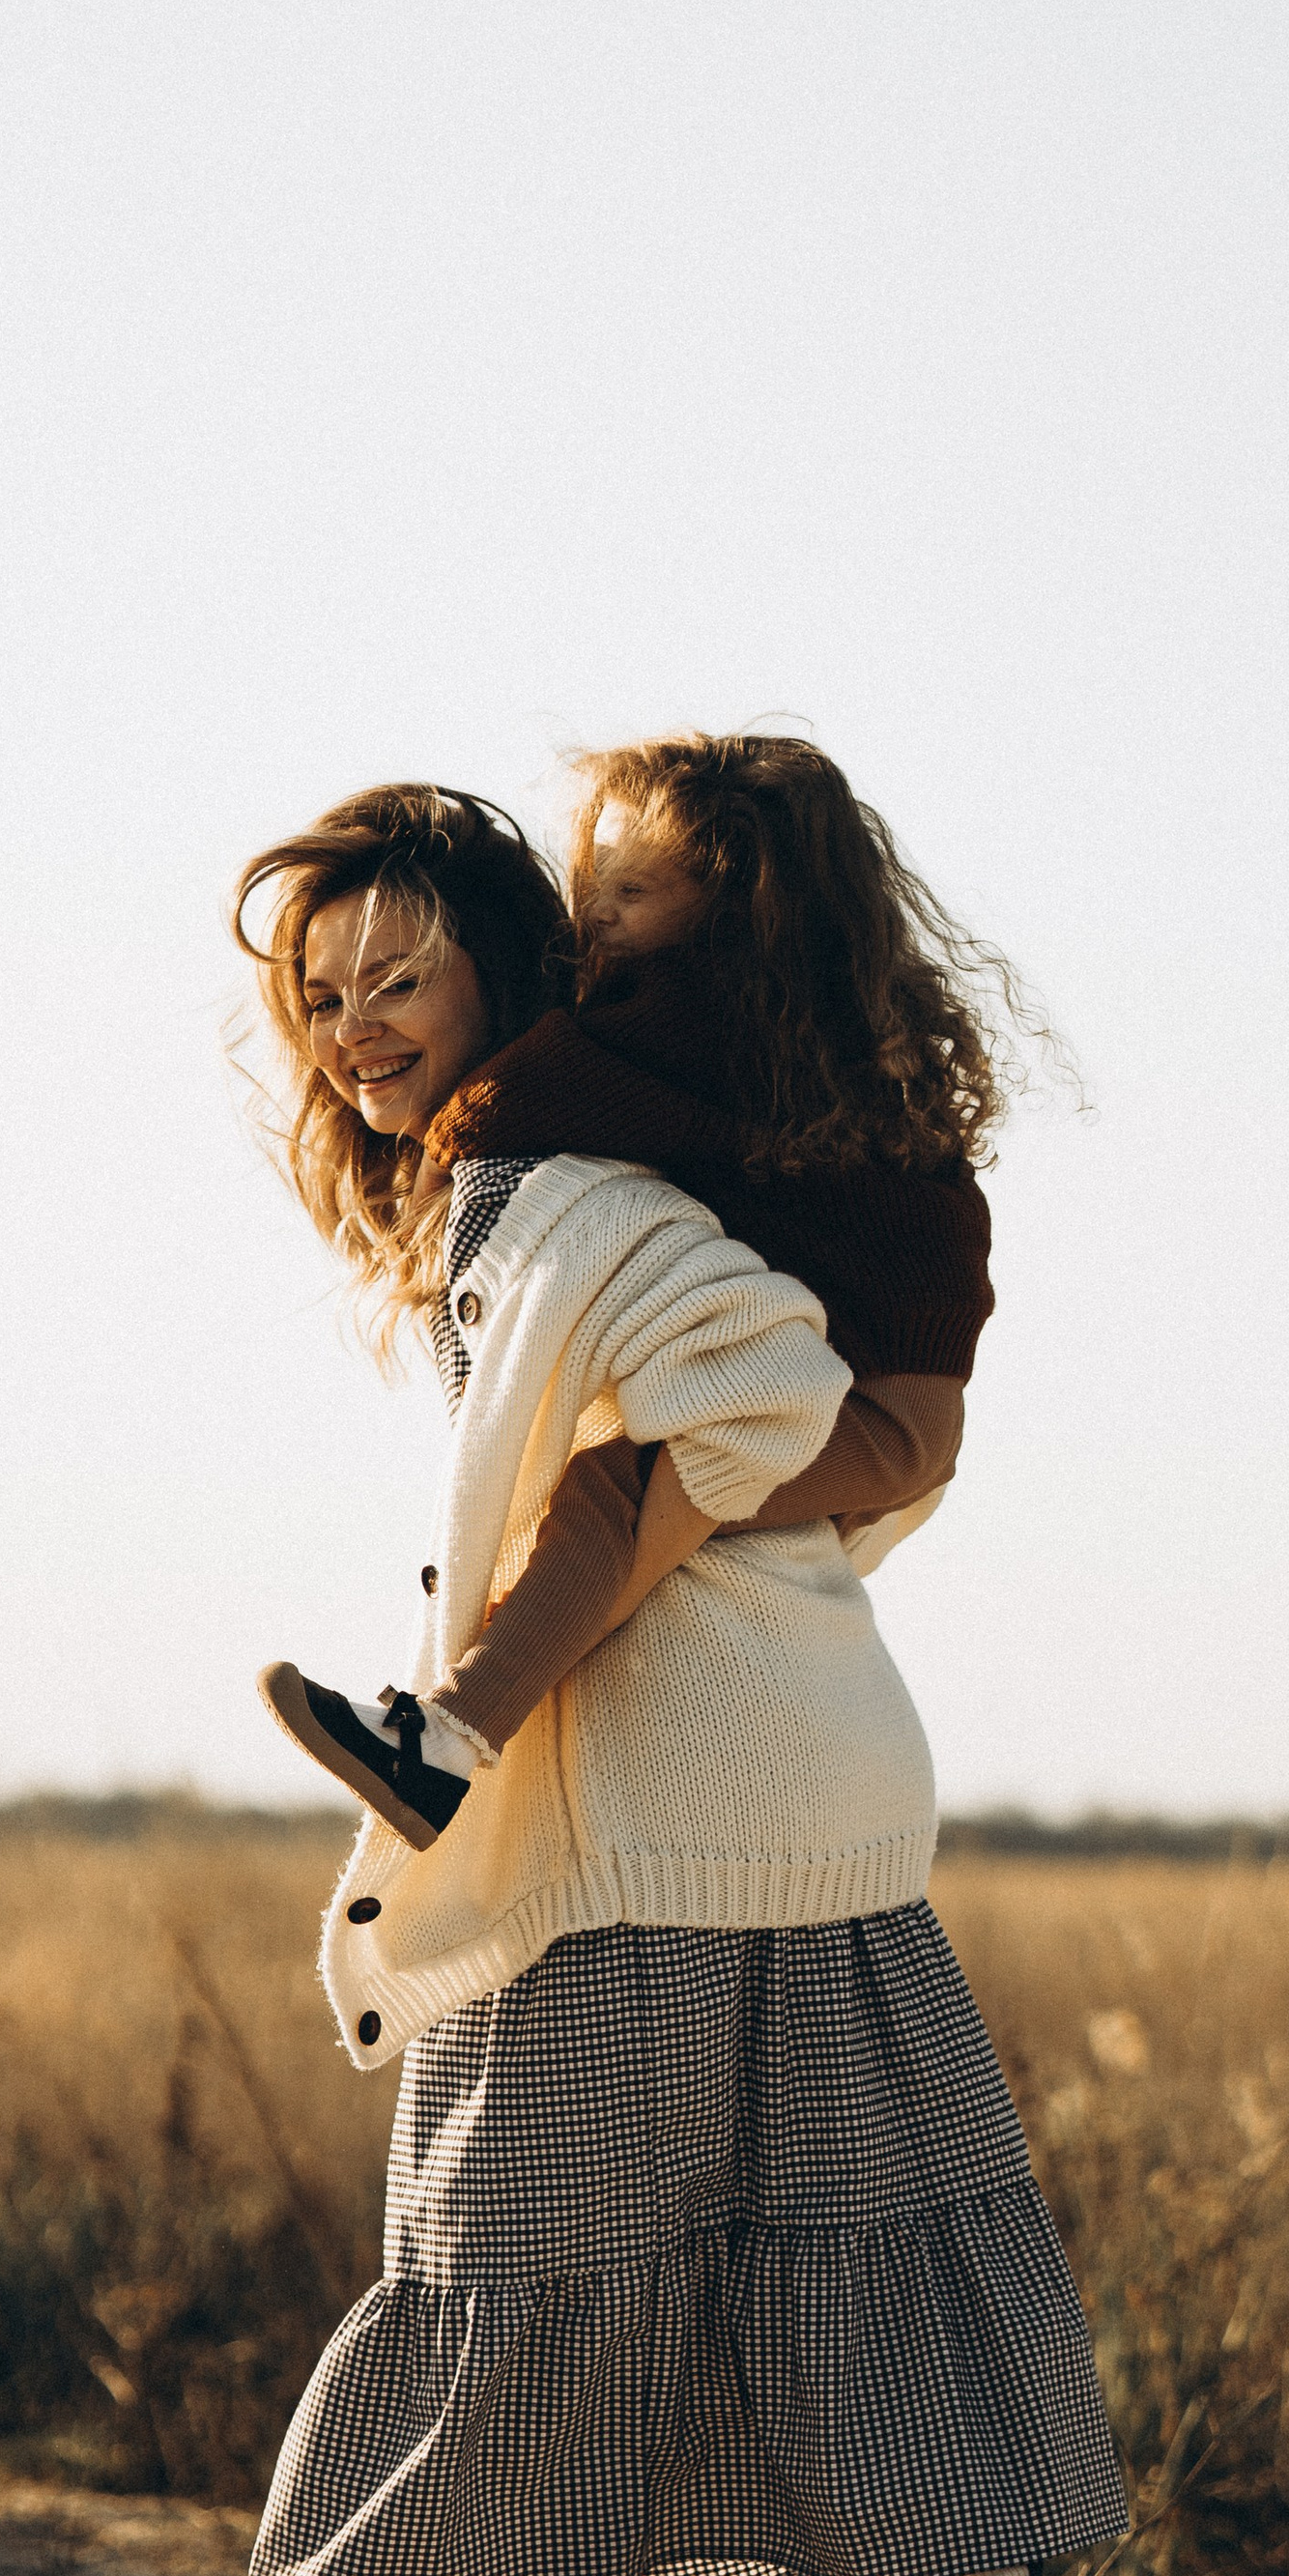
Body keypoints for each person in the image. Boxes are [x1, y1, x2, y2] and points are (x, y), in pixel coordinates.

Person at [232, 778, 1189, 2576]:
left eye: (402, 978)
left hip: (657, 1817)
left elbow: (768, 1383)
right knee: (792, 2282)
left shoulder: (553, 1179)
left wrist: (493, 1684)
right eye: (320, 996)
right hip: (792, 1795)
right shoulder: (619, 1160)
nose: (359, 1027)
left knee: (532, 2278)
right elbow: (831, 1429)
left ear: (514, 974)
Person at [256, 734, 997, 1844]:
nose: (589, 917)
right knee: (650, 1489)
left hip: (871, 1422)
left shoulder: (679, 1051)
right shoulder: (795, 1042)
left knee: (619, 1486)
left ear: (728, 904)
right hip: (895, 1416)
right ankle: (449, 1734)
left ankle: (448, 1738)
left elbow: (552, 1090)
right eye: (589, 885)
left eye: (629, 891)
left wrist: (466, 1129)